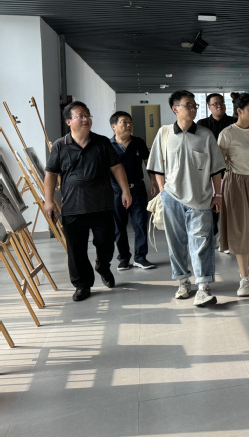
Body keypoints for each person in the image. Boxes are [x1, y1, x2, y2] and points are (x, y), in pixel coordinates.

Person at [44, 102, 132, 302]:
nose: (85, 119)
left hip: (102, 205)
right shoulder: (60, 145)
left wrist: (125, 190)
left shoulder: (102, 142)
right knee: (76, 250)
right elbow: (51, 174)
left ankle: (103, 266)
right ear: (69, 121)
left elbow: (117, 167)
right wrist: (48, 201)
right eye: (80, 116)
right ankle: (82, 285)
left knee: (106, 243)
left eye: (87, 115)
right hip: (73, 207)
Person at [147, 90, 226, 307]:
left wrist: (218, 194)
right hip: (172, 198)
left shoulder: (205, 135)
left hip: (200, 198)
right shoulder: (164, 134)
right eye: (188, 105)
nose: (193, 109)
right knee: (176, 242)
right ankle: (183, 281)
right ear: (175, 109)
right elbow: (157, 167)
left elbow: (216, 169)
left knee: (202, 242)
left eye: (194, 106)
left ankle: (203, 287)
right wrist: (163, 193)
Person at [217, 93, 249, 296]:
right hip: (236, 183)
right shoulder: (227, 134)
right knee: (240, 229)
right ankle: (244, 277)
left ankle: (247, 269)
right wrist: (217, 192)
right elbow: (219, 164)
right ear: (239, 111)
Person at [108, 111, 156, 271]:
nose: (129, 125)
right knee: (119, 226)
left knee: (140, 223)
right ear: (113, 126)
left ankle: (140, 257)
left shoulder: (138, 142)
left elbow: (148, 162)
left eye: (130, 122)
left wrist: (153, 181)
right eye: (124, 122)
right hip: (116, 192)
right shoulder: (108, 146)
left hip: (137, 189)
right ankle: (123, 258)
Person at [197, 93, 234, 249]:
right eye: (215, 104)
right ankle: (213, 236)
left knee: (230, 207)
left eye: (222, 103)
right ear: (209, 107)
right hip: (210, 172)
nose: (219, 106)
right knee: (213, 206)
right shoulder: (202, 124)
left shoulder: (233, 122)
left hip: (230, 170)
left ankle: (228, 239)